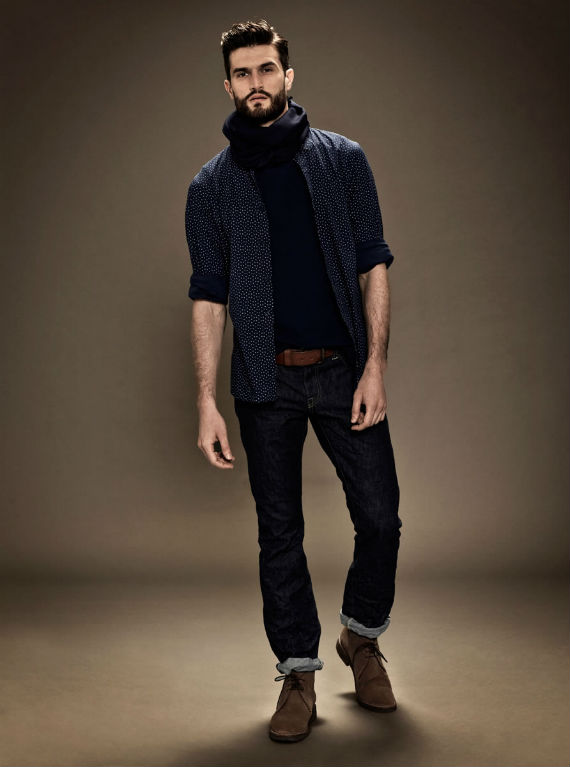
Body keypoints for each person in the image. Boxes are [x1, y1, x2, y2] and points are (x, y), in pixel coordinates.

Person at [185, 19, 402, 743]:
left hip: (344, 370)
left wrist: (375, 365)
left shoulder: (344, 160)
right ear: (228, 85)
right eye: (243, 73)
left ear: (288, 75)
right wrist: (205, 401)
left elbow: (373, 261)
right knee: (280, 534)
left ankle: (360, 637)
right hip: (263, 382)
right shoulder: (210, 188)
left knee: (380, 517)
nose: (257, 83)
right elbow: (208, 295)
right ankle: (298, 674)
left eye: (267, 69)